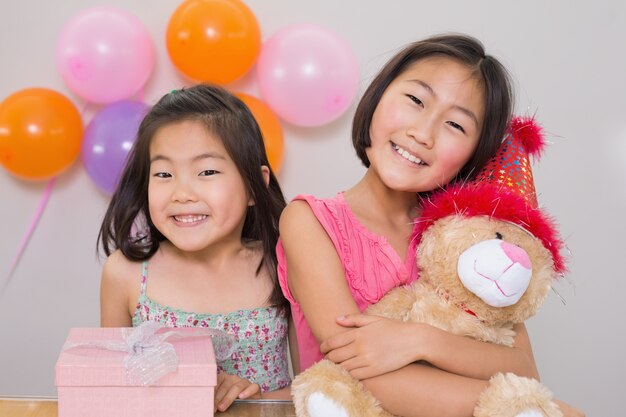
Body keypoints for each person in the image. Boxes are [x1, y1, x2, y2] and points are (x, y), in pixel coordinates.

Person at [278, 34, 584, 417]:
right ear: (378, 96)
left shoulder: (466, 236)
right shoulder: (309, 221)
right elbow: (352, 365)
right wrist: (533, 407)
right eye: (415, 100)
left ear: (474, 154)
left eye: (455, 125)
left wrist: (421, 340)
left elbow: (522, 367)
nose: (422, 133)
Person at [98, 84, 292, 412]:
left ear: (253, 187)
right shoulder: (125, 274)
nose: (182, 193)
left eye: (207, 171)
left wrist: (254, 400)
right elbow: (113, 393)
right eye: (163, 173)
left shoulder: (284, 264)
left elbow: (317, 386)